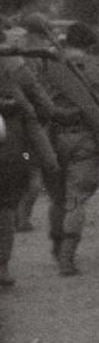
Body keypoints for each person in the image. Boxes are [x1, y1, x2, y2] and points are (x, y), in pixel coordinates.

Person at [32, 20, 99, 277]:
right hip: (84, 139)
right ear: (89, 44)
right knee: (76, 198)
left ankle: (57, 247)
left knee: (57, 197)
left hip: (49, 138)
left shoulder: (46, 65)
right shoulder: (98, 68)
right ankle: (67, 258)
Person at [0, 31, 57, 286]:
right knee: (5, 207)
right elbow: (45, 109)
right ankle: (2, 267)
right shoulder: (20, 69)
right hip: (13, 149)